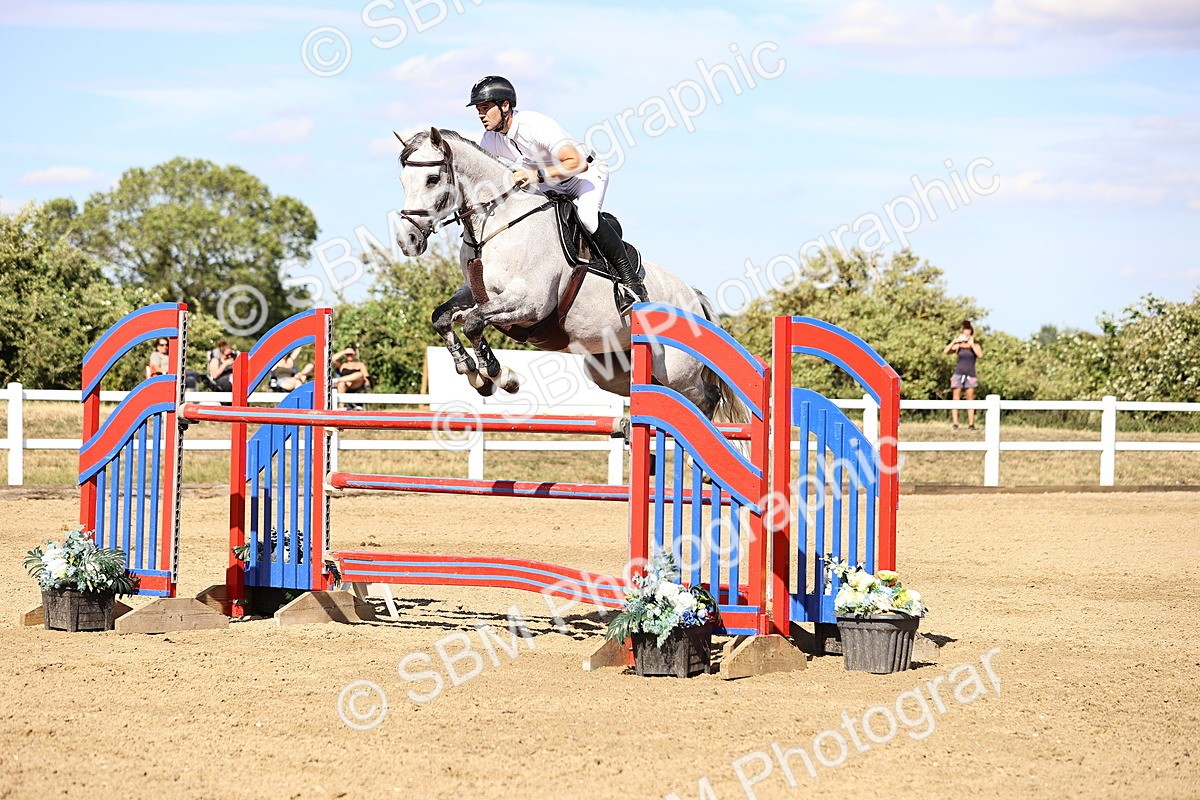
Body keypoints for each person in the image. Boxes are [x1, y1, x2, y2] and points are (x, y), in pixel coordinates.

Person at [467, 75, 648, 312]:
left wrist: (535, 176)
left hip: (583, 176)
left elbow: (577, 163)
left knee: (587, 217)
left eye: (486, 108)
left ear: (505, 106)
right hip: (550, 184)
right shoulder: (490, 139)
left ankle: (631, 282)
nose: (481, 115)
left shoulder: (534, 125)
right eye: (478, 109)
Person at [943, 320, 983, 431]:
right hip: (958, 374)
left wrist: (972, 344)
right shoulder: (958, 346)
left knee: (970, 400)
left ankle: (971, 424)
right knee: (956, 399)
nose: (966, 336)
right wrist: (954, 341)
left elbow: (980, 355)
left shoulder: (975, 346)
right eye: (964, 334)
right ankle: (955, 423)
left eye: (968, 334)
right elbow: (946, 351)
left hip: (970, 374)